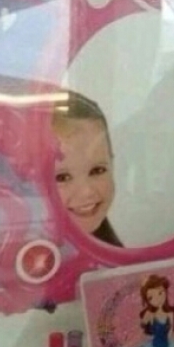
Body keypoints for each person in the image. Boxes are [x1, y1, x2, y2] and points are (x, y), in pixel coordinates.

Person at [52, 90, 122, 246]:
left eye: (97, 170)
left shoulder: (112, 250)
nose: (86, 192)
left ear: (112, 162)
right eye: (62, 177)